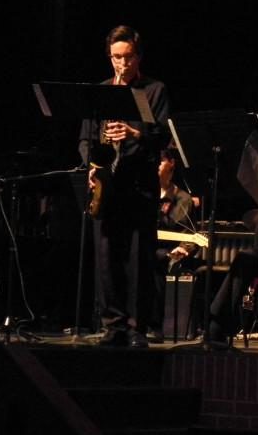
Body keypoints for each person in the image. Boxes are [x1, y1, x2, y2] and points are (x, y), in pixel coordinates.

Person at [79, 25, 171, 348]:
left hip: (139, 186)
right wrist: (92, 165)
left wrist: (134, 133)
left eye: (127, 57)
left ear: (138, 57)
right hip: (108, 185)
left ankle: (136, 329)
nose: (121, 64)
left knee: (138, 260)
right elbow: (85, 138)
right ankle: (113, 325)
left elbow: (163, 136)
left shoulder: (154, 90)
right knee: (106, 259)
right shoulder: (102, 90)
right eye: (116, 57)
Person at [151, 147, 199, 343]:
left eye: (160, 161)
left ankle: (154, 326)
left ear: (171, 163)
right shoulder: (145, 194)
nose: (155, 166)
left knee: (156, 260)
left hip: (168, 252)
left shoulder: (184, 200)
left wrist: (183, 248)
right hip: (146, 246)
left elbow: (190, 234)